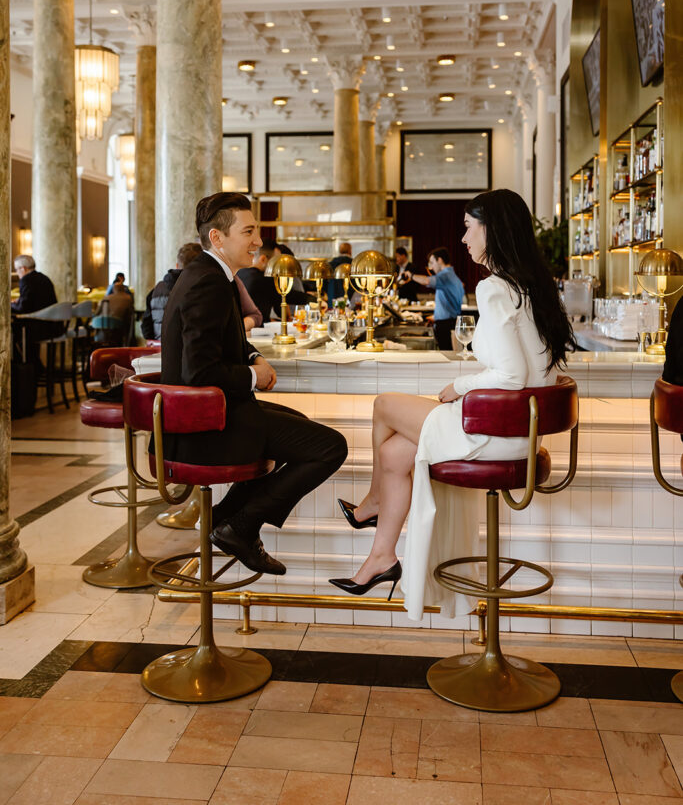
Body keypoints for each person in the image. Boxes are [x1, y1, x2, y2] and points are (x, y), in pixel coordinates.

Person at [330, 189, 576, 618]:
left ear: (490, 230)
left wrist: (460, 385)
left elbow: (511, 375)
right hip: (519, 432)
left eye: (468, 227)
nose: (463, 238)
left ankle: (371, 504)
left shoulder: (495, 287)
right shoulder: (532, 284)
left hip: (495, 435)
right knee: (394, 452)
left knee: (385, 403)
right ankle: (381, 558)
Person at [160, 192, 347, 575]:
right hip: (202, 428)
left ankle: (226, 516)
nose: (258, 242)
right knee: (331, 446)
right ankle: (241, 526)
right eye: (248, 232)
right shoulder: (208, 283)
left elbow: (225, 340)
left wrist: (253, 358)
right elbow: (199, 372)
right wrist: (252, 376)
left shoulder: (214, 275)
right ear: (217, 238)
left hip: (213, 415)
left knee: (301, 425)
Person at [141, 242, 205, 340]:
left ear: (177, 265)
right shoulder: (199, 287)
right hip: (188, 351)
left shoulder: (156, 290)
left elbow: (146, 328)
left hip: (161, 350)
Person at [237, 238, 309, 323]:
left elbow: (279, 305)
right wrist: (316, 300)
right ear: (263, 259)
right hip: (257, 331)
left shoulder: (239, 273)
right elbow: (290, 296)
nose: (278, 266)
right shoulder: (264, 280)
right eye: (276, 261)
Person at [407, 246, 465, 350]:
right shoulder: (453, 276)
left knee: (447, 357)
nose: (431, 267)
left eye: (432, 262)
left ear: (440, 260)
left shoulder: (445, 276)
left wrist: (411, 276)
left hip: (445, 326)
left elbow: (427, 281)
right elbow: (449, 305)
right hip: (449, 323)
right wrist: (435, 317)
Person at [11, 255, 58, 366]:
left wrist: (9, 306)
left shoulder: (26, 280)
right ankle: (36, 367)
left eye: (17, 270)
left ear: (23, 268)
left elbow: (24, 308)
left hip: (38, 328)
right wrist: (20, 301)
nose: (17, 273)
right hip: (53, 326)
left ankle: (26, 369)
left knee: (12, 332)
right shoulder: (44, 278)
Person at [94, 275, 134, 345]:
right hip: (118, 327)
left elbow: (97, 312)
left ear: (113, 289)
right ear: (124, 289)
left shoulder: (106, 298)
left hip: (101, 326)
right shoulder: (128, 298)